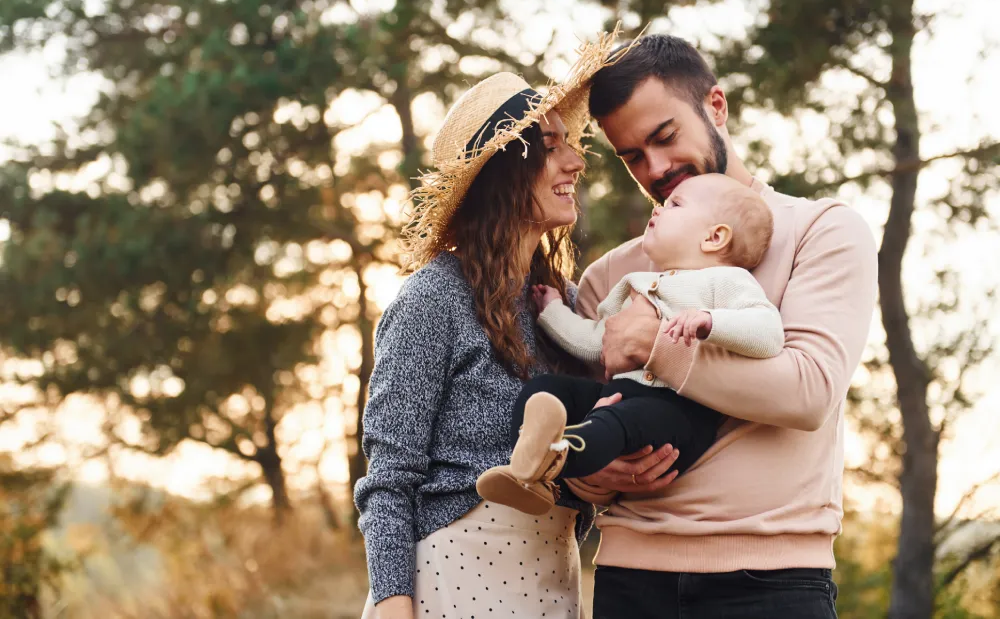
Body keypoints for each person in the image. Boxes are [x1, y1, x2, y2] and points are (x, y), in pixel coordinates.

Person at [566, 34, 878, 618]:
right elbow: (577, 429)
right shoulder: (610, 274)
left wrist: (656, 346)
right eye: (632, 155)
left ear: (716, 107)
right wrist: (590, 475)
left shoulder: (823, 230)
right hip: (628, 580)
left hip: (775, 585)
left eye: (664, 137)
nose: (656, 169)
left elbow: (808, 391)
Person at [354, 32, 632, 619]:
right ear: (506, 169)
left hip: (554, 582)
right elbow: (389, 478)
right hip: (452, 579)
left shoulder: (563, 304)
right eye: (550, 145)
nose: (576, 160)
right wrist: (391, 604)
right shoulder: (434, 297)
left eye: (570, 143)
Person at [476, 173, 783, 515]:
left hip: (678, 412)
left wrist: (711, 321)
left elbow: (768, 331)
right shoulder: (639, 284)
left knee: (614, 422)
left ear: (714, 237)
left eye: (674, 205)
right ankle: (528, 470)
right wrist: (552, 312)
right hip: (625, 394)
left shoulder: (726, 281)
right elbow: (597, 342)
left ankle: (559, 457)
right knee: (548, 388)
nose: (658, 210)